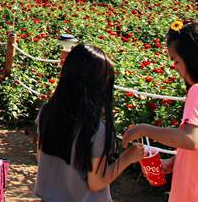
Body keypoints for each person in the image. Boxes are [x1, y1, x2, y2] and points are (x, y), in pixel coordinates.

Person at [37, 44, 144, 201]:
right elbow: (96, 183)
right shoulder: (95, 130)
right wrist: (128, 157)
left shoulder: (47, 112)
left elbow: (41, 157)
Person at [122, 19, 198, 201]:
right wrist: (173, 163)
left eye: (176, 61)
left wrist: (143, 129)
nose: (175, 68)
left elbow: (190, 139)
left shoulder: (196, 91)